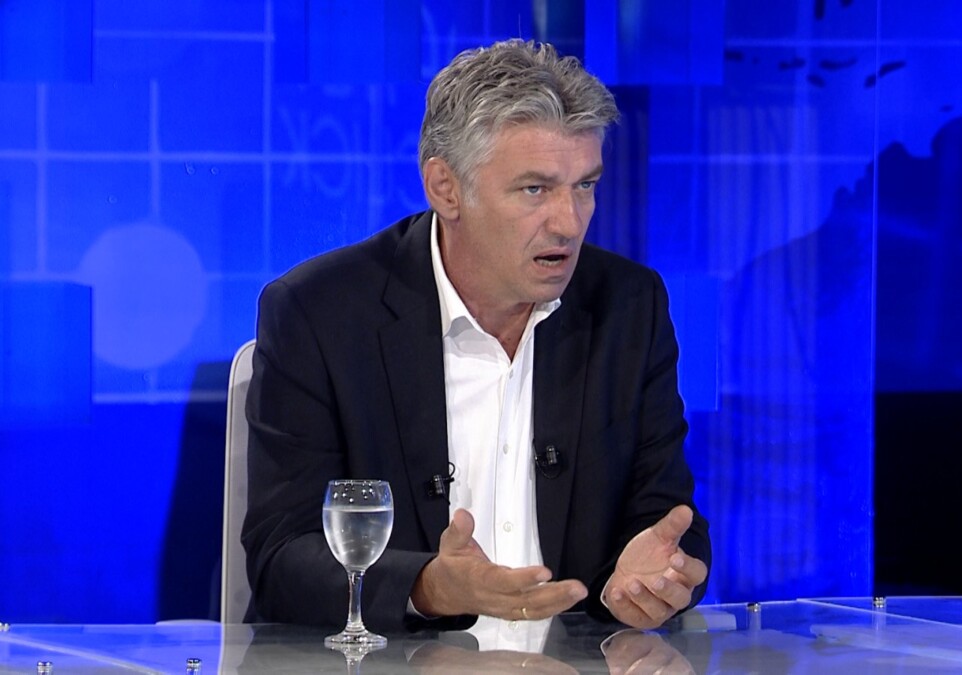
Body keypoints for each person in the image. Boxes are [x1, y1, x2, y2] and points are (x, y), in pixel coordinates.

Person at [242, 38, 710, 635]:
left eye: (585, 185)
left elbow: (667, 517)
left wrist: (656, 577)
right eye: (535, 189)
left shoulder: (628, 305)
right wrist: (427, 587)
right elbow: (282, 558)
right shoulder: (321, 314)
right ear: (446, 188)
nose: (569, 222)